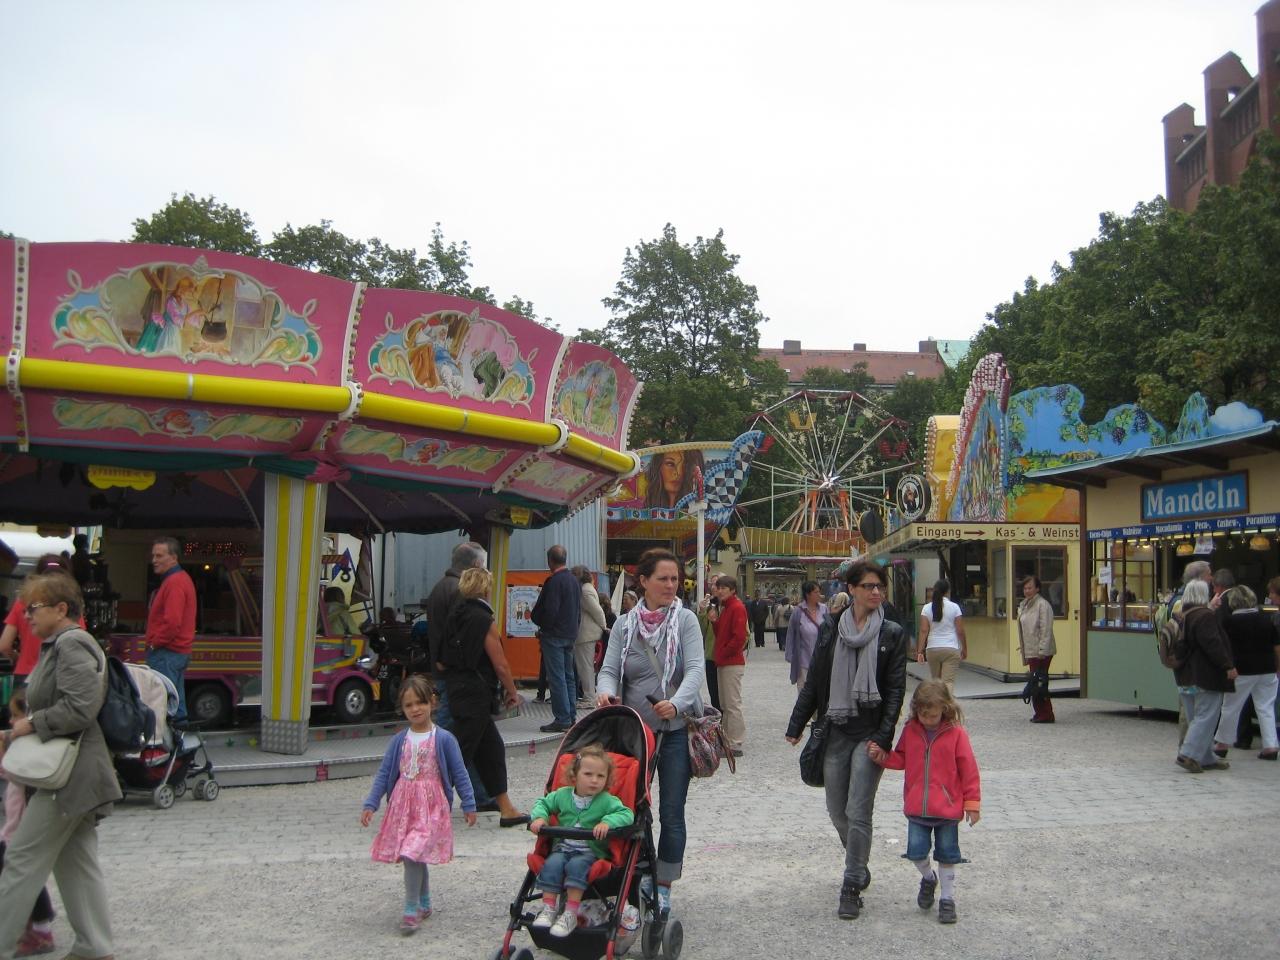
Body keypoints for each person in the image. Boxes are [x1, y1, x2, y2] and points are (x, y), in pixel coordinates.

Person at [0, 573, 121, 960]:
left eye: (33, 608)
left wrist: (31, 723)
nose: (26, 616)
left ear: (61, 609)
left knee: (21, 858)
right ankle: (94, 946)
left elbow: (81, 708)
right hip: (74, 773)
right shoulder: (61, 645)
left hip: (68, 775)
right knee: (76, 861)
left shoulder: (71, 644)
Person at [785, 559, 909, 921]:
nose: (876, 592)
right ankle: (859, 857)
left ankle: (852, 883)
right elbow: (816, 678)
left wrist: (884, 736)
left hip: (870, 733)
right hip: (836, 729)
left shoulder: (891, 633)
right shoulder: (832, 628)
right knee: (837, 810)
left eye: (880, 587)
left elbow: (895, 690)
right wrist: (797, 722)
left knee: (858, 810)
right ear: (851, 589)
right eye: (869, 586)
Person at [596, 547, 705, 919]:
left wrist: (676, 703)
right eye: (663, 578)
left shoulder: (686, 620)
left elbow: (695, 670)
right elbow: (609, 669)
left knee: (672, 811)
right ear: (643, 581)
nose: (671, 585)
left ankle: (663, 886)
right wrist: (605, 692)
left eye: (675, 579)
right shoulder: (625, 625)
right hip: (634, 734)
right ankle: (634, 873)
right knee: (628, 808)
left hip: (674, 731)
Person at [361, 676, 477, 935]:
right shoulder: (399, 740)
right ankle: (424, 902)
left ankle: (410, 908)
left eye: (420, 702)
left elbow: (460, 772)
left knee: (412, 853)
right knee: (414, 855)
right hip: (403, 808)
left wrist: (469, 803)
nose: (415, 709)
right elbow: (384, 773)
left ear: (432, 702)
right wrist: (371, 803)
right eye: (408, 705)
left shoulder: (444, 739)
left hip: (431, 809)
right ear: (402, 709)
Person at [868, 680, 981, 925]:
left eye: (932, 715)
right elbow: (901, 759)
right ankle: (929, 878)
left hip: (948, 810)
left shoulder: (957, 734)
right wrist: (882, 757)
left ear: (945, 709)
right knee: (916, 852)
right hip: (917, 807)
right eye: (923, 714)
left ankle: (947, 899)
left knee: (947, 855)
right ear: (916, 709)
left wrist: (972, 803)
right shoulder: (911, 730)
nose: (927, 720)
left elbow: (969, 769)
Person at [440, 568, 527, 827]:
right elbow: (500, 664)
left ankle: (506, 808)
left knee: (491, 749)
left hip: (457, 689)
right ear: (486, 589)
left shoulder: (454, 616)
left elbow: (441, 661)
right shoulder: (483, 619)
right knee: (459, 754)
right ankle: (426, 806)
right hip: (476, 694)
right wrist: (512, 692)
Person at [528, 743, 635, 937]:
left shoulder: (606, 800)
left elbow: (626, 814)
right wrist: (540, 818)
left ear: (607, 779)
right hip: (562, 848)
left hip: (589, 853)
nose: (594, 780)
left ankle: (570, 913)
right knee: (551, 864)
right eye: (588, 774)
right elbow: (542, 803)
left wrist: (607, 822)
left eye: (600, 776)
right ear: (574, 775)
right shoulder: (562, 795)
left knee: (577, 866)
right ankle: (549, 908)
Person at [1, 689, 58, 957]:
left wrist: (4, 752)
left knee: (22, 875)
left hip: (21, 829)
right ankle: (33, 924)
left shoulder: (31, 749)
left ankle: (41, 928)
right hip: (13, 828)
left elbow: (13, 772)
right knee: (21, 875)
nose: (11, 722)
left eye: (15, 716)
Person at [1174, 580, 1238, 773]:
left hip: (1184, 675)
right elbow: (1213, 644)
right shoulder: (1204, 616)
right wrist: (1228, 665)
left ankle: (1206, 756)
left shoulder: (1182, 616)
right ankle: (1188, 754)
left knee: (1195, 717)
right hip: (1204, 675)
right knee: (1207, 717)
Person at [1212, 586, 1279, 761]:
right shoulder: (1266, 619)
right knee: (1266, 707)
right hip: (1267, 669)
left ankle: (1222, 744)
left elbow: (1223, 646)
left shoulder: (1229, 622)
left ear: (1233, 602)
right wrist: (1278, 667)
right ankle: (1271, 746)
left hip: (1241, 670)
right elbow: (1276, 646)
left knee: (1231, 707)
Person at [0, 555, 84, 687]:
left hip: (25, 673)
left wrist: (19, 658)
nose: (28, 615)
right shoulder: (70, 606)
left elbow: (4, 645)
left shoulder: (22, 602)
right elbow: (79, 644)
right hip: (57, 676)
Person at [145, 536, 196, 723]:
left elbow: (172, 622)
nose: (154, 560)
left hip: (167, 652)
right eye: (153, 555)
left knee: (162, 705)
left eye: (159, 556)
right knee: (177, 705)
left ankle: (165, 739)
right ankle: (181, 738)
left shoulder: (174, 583)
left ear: (174, 558)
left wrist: (155, 644)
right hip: (175, 652)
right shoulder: (179, 580)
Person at [531, 545, 580, 733]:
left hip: (554, 635)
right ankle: (571, 716)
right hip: (570, 634)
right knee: (569, 677)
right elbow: (578, 610)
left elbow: (550, 610)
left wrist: (544, 627)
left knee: (557, 677)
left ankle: (562, 718)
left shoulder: (553, 582)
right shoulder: (574, 581)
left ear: (550, 560)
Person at [712, 576, 748, 758]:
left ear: (733, 589)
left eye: (724, 588)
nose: (720, 591)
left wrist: (723, 652)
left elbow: (739, 637)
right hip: (726, 661)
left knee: (732, 704)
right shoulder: (727, 607)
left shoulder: (736, 607)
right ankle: (728, 741)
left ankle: (735, 742)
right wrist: (714, 621)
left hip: (731, 662)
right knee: (726, 704)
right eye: (718, 588)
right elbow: (722, 633)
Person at [1016, 576, 1056, 723]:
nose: (1027, 591)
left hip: (1041, 651)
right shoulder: (1025, 605)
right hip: (1031, 649)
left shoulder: (1042, 605)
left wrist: (1042, 650)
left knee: (1039, 681)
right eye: (1025, 588)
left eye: (1030, 588)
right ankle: (1040, 712)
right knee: (1035, 681)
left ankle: (1046, 714)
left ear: (1037, 588)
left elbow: (1046, 629)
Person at [917, 579, 967, 694]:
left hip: (932, 648)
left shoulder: (927, 608)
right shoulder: (954, 607)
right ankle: (947, 703)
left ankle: (937, 703)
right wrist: (964, 648)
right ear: (948, 591)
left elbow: (924, 631)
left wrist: (920, 651)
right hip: (951, 648)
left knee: (936, 682)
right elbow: (960, 631)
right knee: (948, 681)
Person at [573, 566, 606, 705]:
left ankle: (590, 698)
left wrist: (604, 626)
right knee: (585, 666)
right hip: (586, 634)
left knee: (585, 667)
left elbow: (597, 611)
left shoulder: (585, 591)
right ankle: (589, 696)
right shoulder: (587, 588)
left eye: (574, 574)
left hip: (586, 634)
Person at [785, 581, 826, 689]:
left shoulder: (824, 609)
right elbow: (791, 633)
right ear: (808, 594)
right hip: (804, 659)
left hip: (822, 660)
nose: (819, 594)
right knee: (804, 691)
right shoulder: (798, 611)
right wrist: (790, 655)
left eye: (819, 591)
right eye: (816, 592)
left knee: (820, 692)